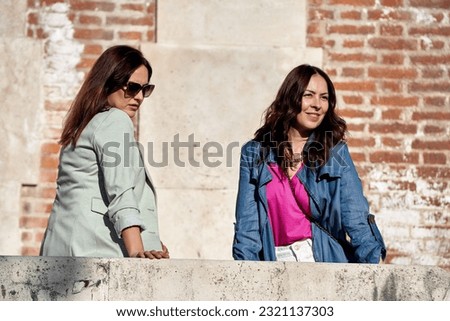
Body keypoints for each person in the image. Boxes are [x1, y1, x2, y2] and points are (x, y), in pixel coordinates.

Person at [233, 64, 386, 263]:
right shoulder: (255, 153)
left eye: (324, 97)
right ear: (291, 97)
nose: (317, 104)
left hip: (320, 258)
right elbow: (247, 224)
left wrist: (375, 262)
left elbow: (355, 215)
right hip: (272, 260)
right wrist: (246, 272)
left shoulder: (335, 152)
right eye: (309, 95)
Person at [40, 45, 169, 259]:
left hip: (61, 249)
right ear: (110, 82)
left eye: (145, 89)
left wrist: (150, 241)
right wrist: (137, 251)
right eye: (132, 87)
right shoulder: (114, 120)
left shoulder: (84, 123)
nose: (138, 97)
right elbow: (121, 193)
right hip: (93, 251)